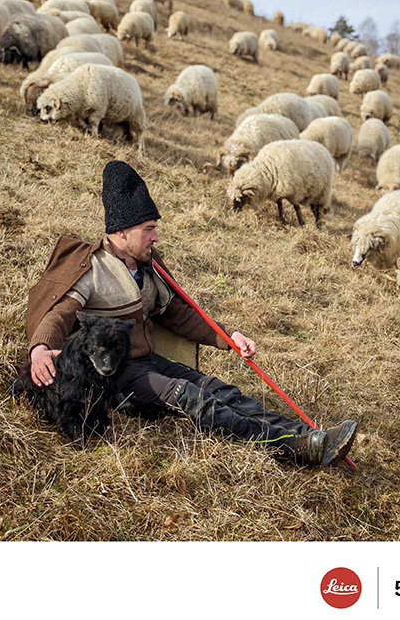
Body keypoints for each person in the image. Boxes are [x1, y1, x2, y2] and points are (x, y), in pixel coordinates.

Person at [25, 160, 357, 467]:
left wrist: (228, 337)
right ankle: (290, 448)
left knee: (222, 391)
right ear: (122, 231)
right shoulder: (92, 269)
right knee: (193, 398)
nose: (155, 236)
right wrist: (40, 349)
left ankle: (310, 437)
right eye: (149, 228)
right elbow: (59, 315)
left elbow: (178, 315)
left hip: (149, 362)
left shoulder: (148, 265)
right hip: (117, 374)